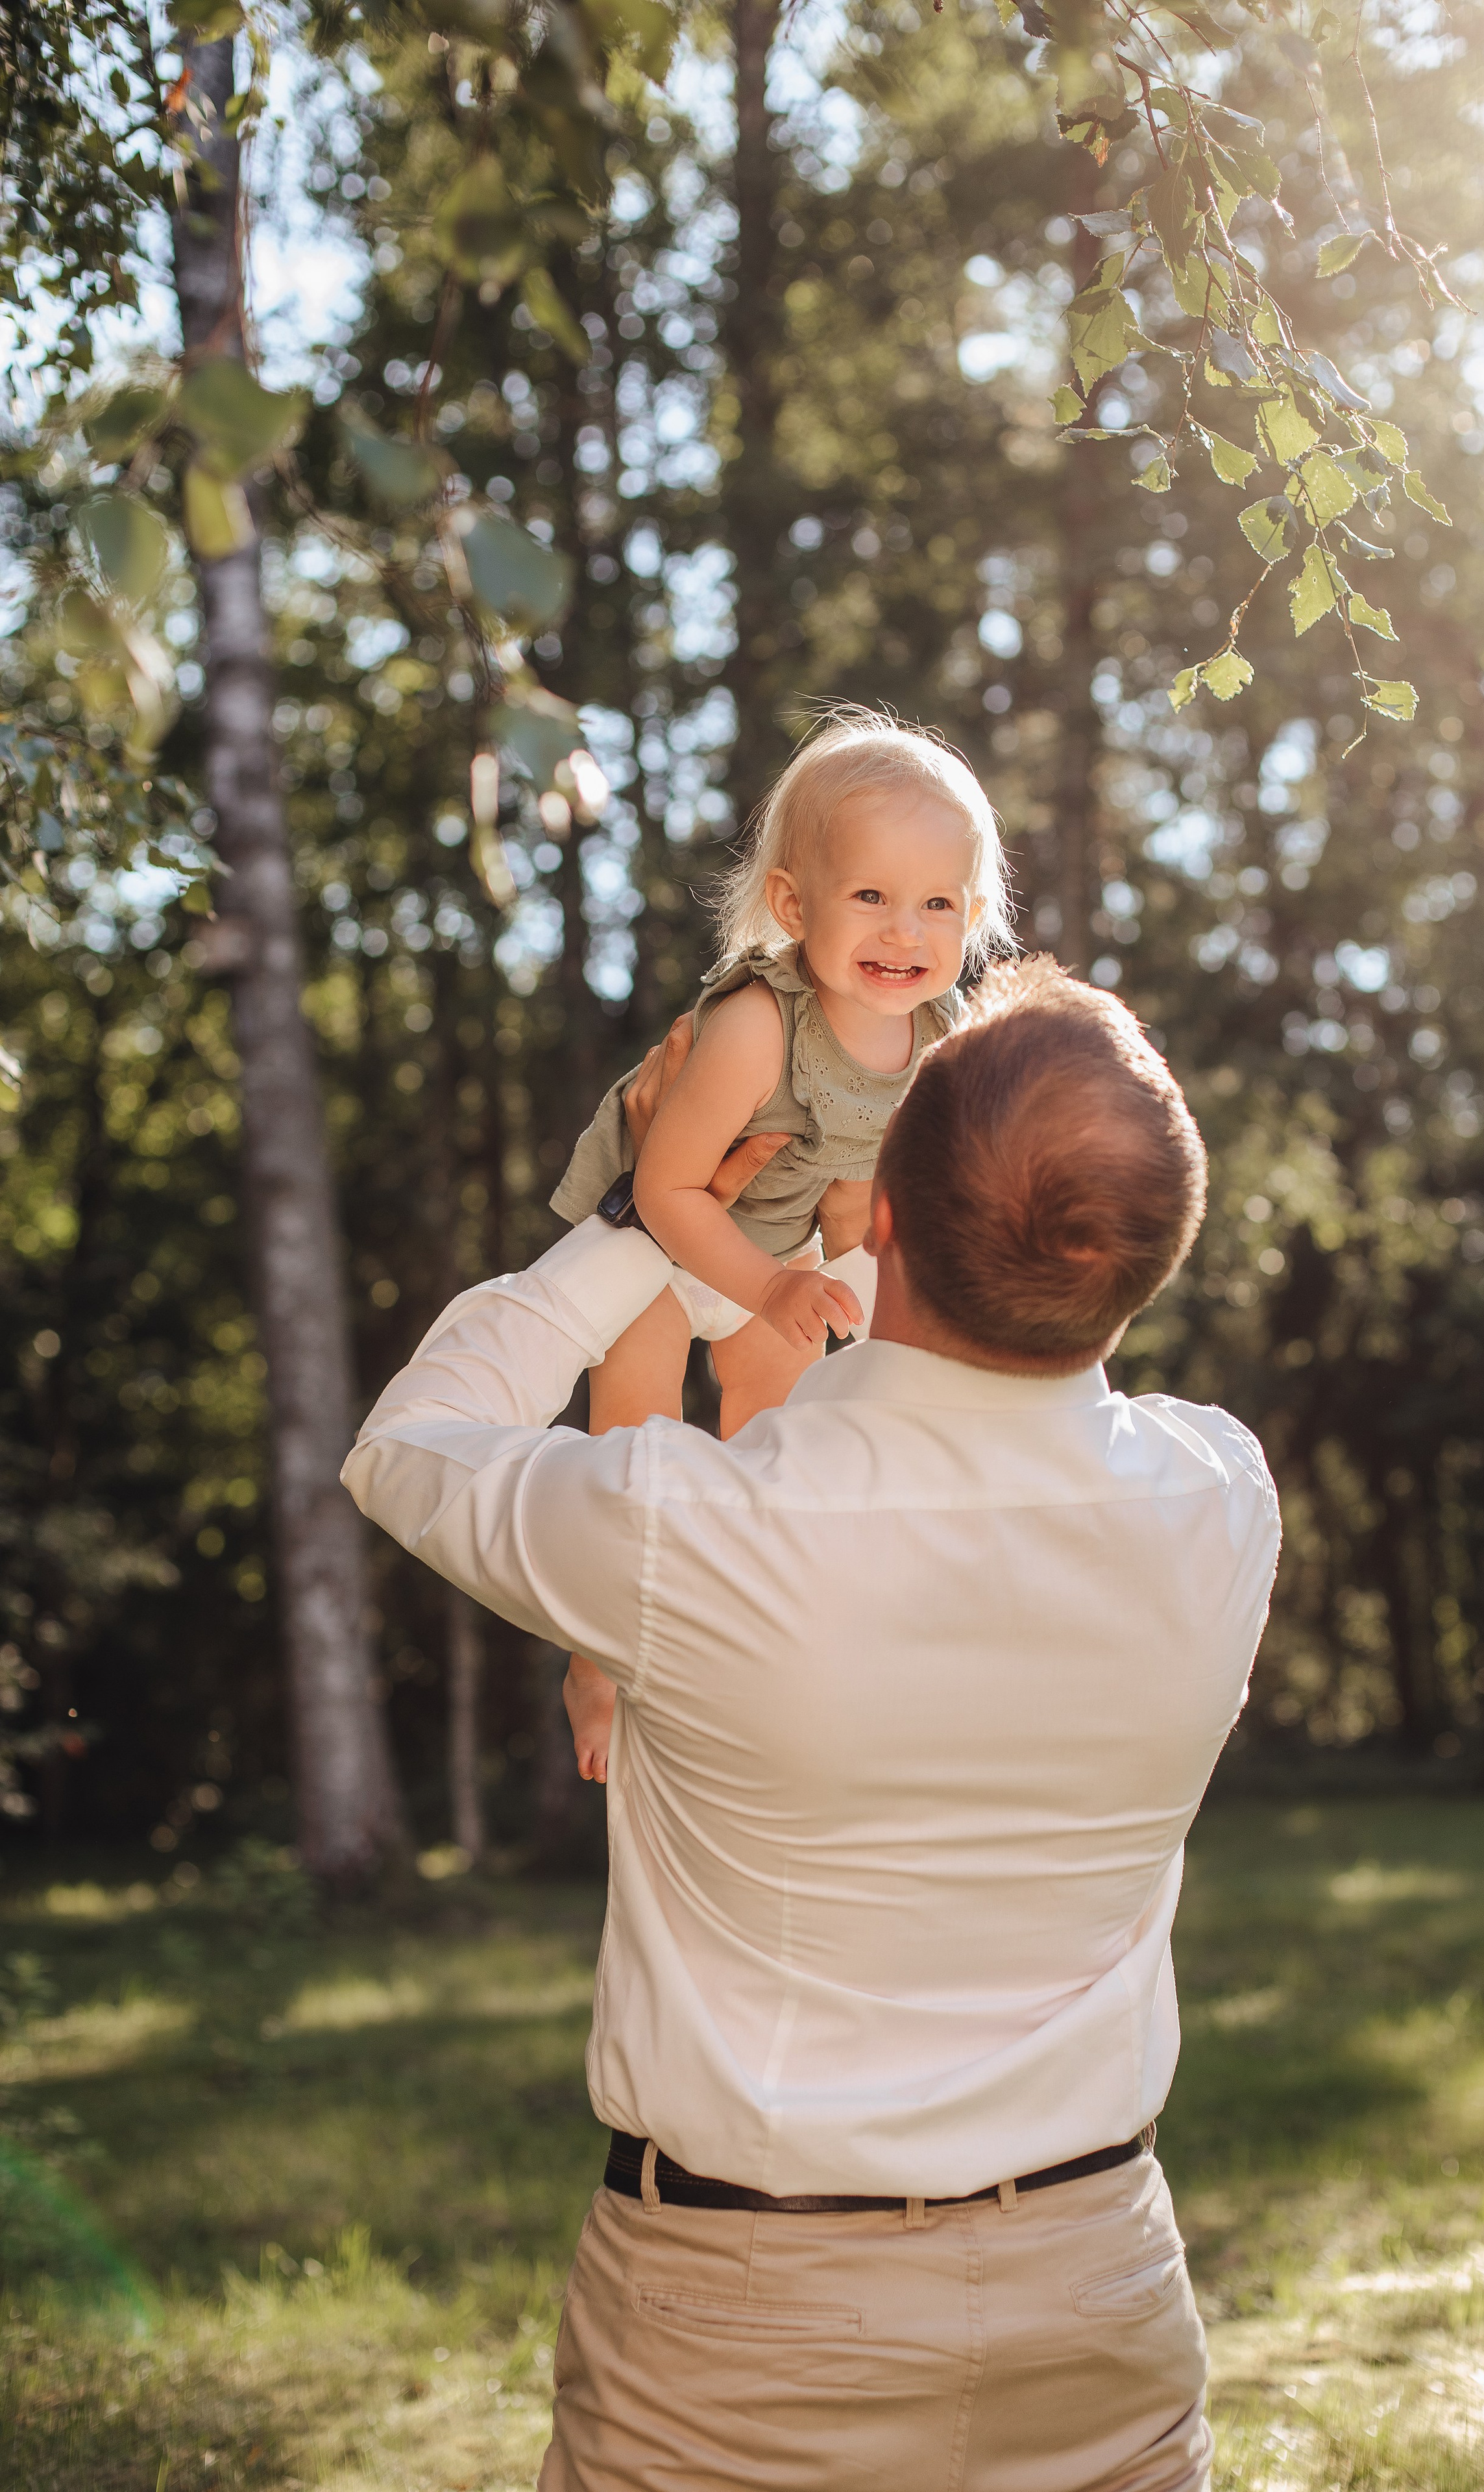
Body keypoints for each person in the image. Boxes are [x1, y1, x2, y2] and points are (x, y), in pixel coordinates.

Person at [343, 956, 1280, 2492]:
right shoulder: (1220, 1495)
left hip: (747, 2337)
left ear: (880, 1212)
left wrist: (636, 1225)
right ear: (1145, 1262)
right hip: (1099, 2299)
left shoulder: (699, 1534)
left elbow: (408, 1450)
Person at [551, 707, 1014, 1781]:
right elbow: (667, 1189)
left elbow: (877, 1202)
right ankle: (598, 1665)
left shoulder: (936, 1042)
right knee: (637, 1448)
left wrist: (858, 1298)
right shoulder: (760, 1022)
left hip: (777, 1258)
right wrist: (769, 1289)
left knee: (781, 1440)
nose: (905, 932)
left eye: (936, 903)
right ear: (793, 905)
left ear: (976, 915)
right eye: (871, 897)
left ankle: (753, 1650)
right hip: (659, 1245)